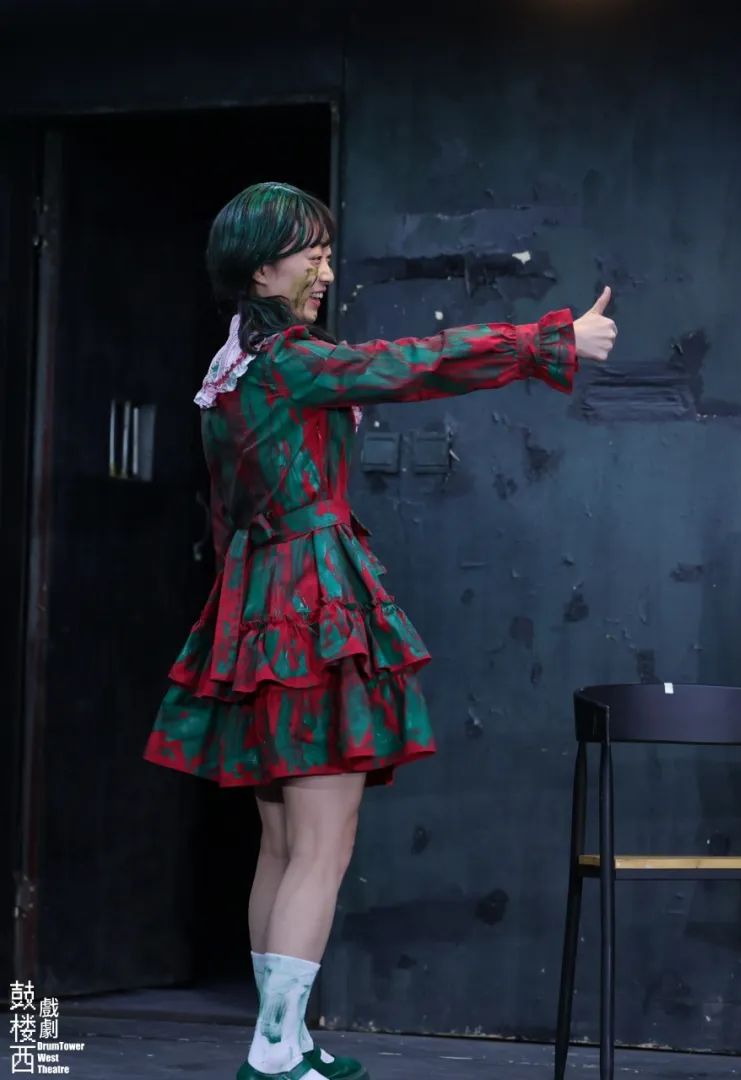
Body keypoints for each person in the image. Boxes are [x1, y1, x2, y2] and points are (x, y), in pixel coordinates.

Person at [142, 181, 617, 1080]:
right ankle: (275, 1051)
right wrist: (548, 341)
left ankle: (283, 1040)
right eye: (309, 254)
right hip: (308, 602)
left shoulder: (233, 368)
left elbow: (229, 512)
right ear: (259, 270)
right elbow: (412, 364)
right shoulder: (289, 361)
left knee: (283, 843)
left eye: (327, 252)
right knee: (322, 841)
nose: (324, 270)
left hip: (261, 600)